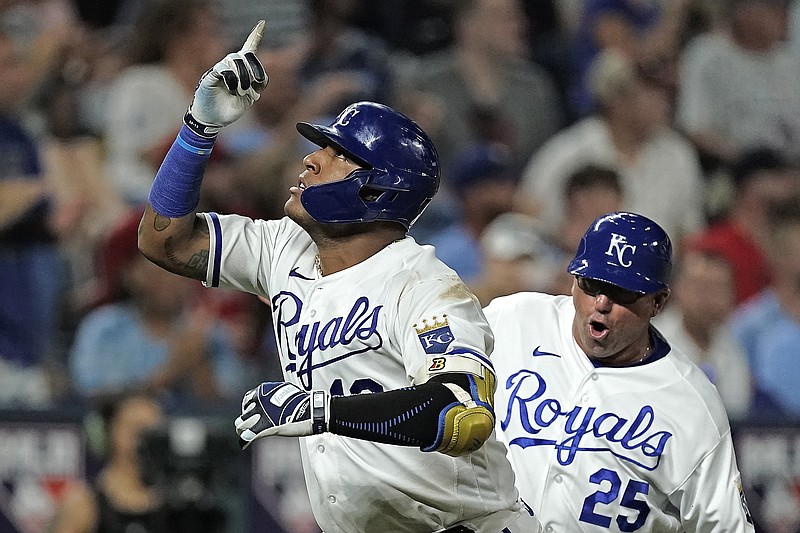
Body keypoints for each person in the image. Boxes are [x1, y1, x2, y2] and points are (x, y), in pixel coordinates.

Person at [137, 21, 542, 533]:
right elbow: (162, 240)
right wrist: (199, 129)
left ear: (378, 189)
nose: (310, 159)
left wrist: (325, 410)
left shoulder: (424, 287)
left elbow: (462, 416)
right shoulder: (283, 249)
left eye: (336, 155)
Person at [484, 212, 755, 531]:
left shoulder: (692, 403)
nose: (601, 303)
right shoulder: (513, 320)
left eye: (621, 292)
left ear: (658, 302)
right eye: (591, 283)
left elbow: (726, 526)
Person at [517, 48, 705, 244]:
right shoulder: (568, 151)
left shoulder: (678, 154)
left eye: (666, 92)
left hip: (659, 271)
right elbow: (526, 219)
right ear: (615, 98)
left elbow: (691, 235)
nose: (664, 101)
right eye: (651, 91)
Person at [50, 391, 170, 533]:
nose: (142, 439)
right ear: (108, 433)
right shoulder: (83, 506)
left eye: (153, 431)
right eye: (134, 428)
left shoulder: (180, 503)